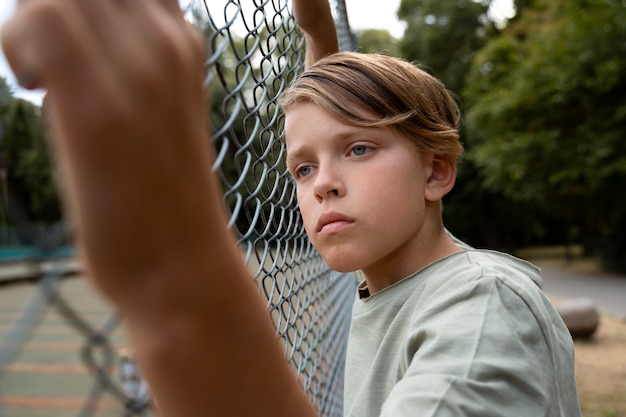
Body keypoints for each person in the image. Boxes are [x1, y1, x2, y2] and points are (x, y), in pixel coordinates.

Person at [0, 1, 581, 417]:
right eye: (302, 168)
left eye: (359, 149)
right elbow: (329, 110)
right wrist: (316, 29)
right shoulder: (392, 284)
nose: (323, 183)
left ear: (435, 171)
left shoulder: (481, 309)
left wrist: (174, 274)